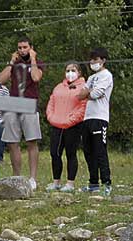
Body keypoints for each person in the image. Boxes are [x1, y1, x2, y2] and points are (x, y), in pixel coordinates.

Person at [0, 36, 45, 190]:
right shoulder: (14, 64)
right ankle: (16, 176)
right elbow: (0, 81)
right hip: (13, 103)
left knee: (31, 140)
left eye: (25, 47)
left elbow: (36, 77)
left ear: (31, 47)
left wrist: (33, 59)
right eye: (20, 47)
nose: (22, 50)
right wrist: (11, 62)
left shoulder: (38, 63)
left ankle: (32, 178)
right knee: (12, 142)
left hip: (29, 103)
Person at [44, 62, 88, 192]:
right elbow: (51, 103)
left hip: (73, 126)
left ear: (79, 72)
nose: (70, 73)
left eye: (73, 70)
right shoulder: (58, 87)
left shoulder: (84, 87)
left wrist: (71, 120)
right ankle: (56, 181)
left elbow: (83, 107)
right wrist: (51, 117)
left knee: (71, 154)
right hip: (57, 125)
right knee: (55, 153)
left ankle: (70, 183)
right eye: (67, 70)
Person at [77, 47, 114, 195]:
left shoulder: (106, 75)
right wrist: (88, 92)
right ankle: (93, 183)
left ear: (103, 60)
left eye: (96, 59)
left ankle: (107, 183)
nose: (93, 62)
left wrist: (88, 92)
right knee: (88, 151)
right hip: (88, 117)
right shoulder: (91, 78)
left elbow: (97, 94)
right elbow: (80, 95)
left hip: (100, 118)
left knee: (100, 151)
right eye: (91, 60)